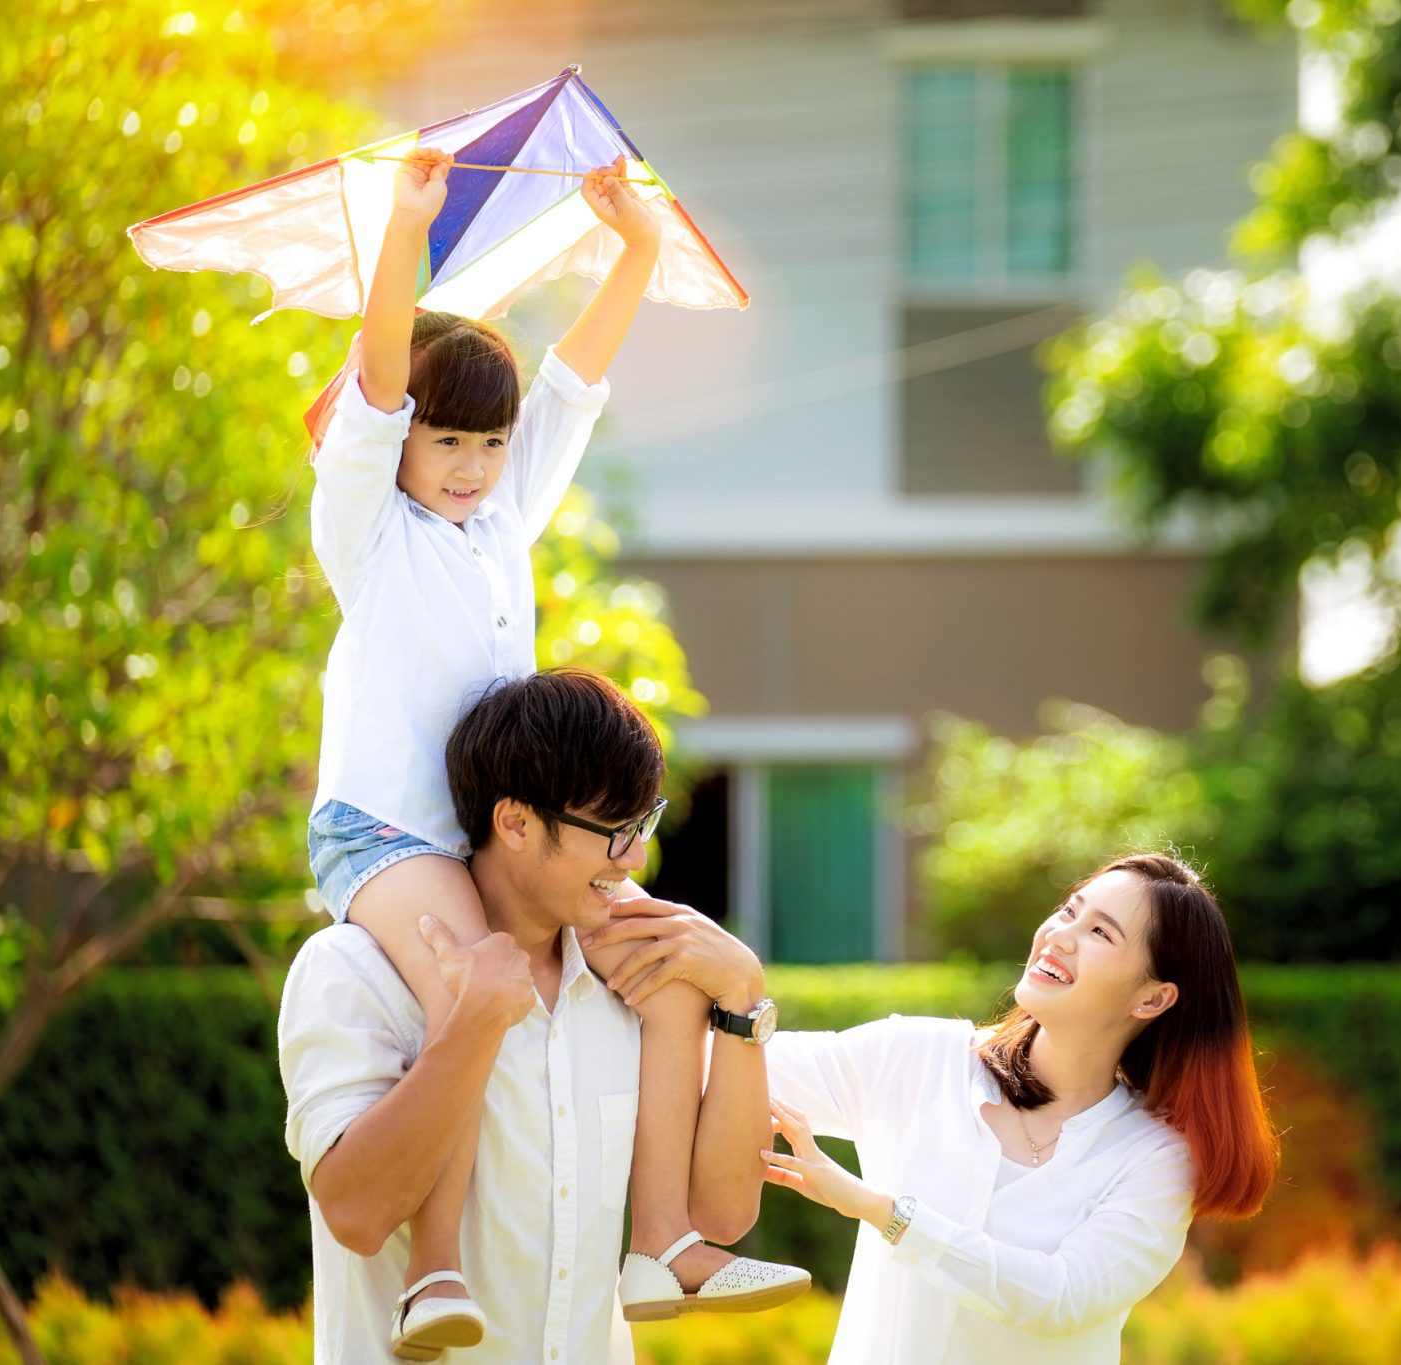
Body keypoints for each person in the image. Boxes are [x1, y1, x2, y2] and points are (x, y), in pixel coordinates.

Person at [302, 150, 802, 1358]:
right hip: (386, 832)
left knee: (667, 959)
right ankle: (435, 1274)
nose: (472, 466)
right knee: (475, 987)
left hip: (492, 828)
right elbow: (375, 394)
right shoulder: (370, 531)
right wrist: (404, 238)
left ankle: (664, 1240)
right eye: (448, 441)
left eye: (490, 443)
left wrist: (633, 246)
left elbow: (575, 381)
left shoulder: (500, 524)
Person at [280, 668, 807, 1364]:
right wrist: (471, 1023)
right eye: (615, 831)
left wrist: (742, 995)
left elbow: (724, 1211)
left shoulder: (636, 987)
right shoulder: (353, 971)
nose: (637, 857)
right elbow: (357, 1212)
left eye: (642, 822)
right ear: (517, 822)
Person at [744, 853, 1276, 1364]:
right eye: (1070, 910)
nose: (1060, 935)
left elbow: (1060, 1298)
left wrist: (878, 1209)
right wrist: (725, 986)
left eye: (1100, 932)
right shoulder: (917, 1058)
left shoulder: (1153, 1159)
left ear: (1152, 999)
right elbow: (724, 1069)